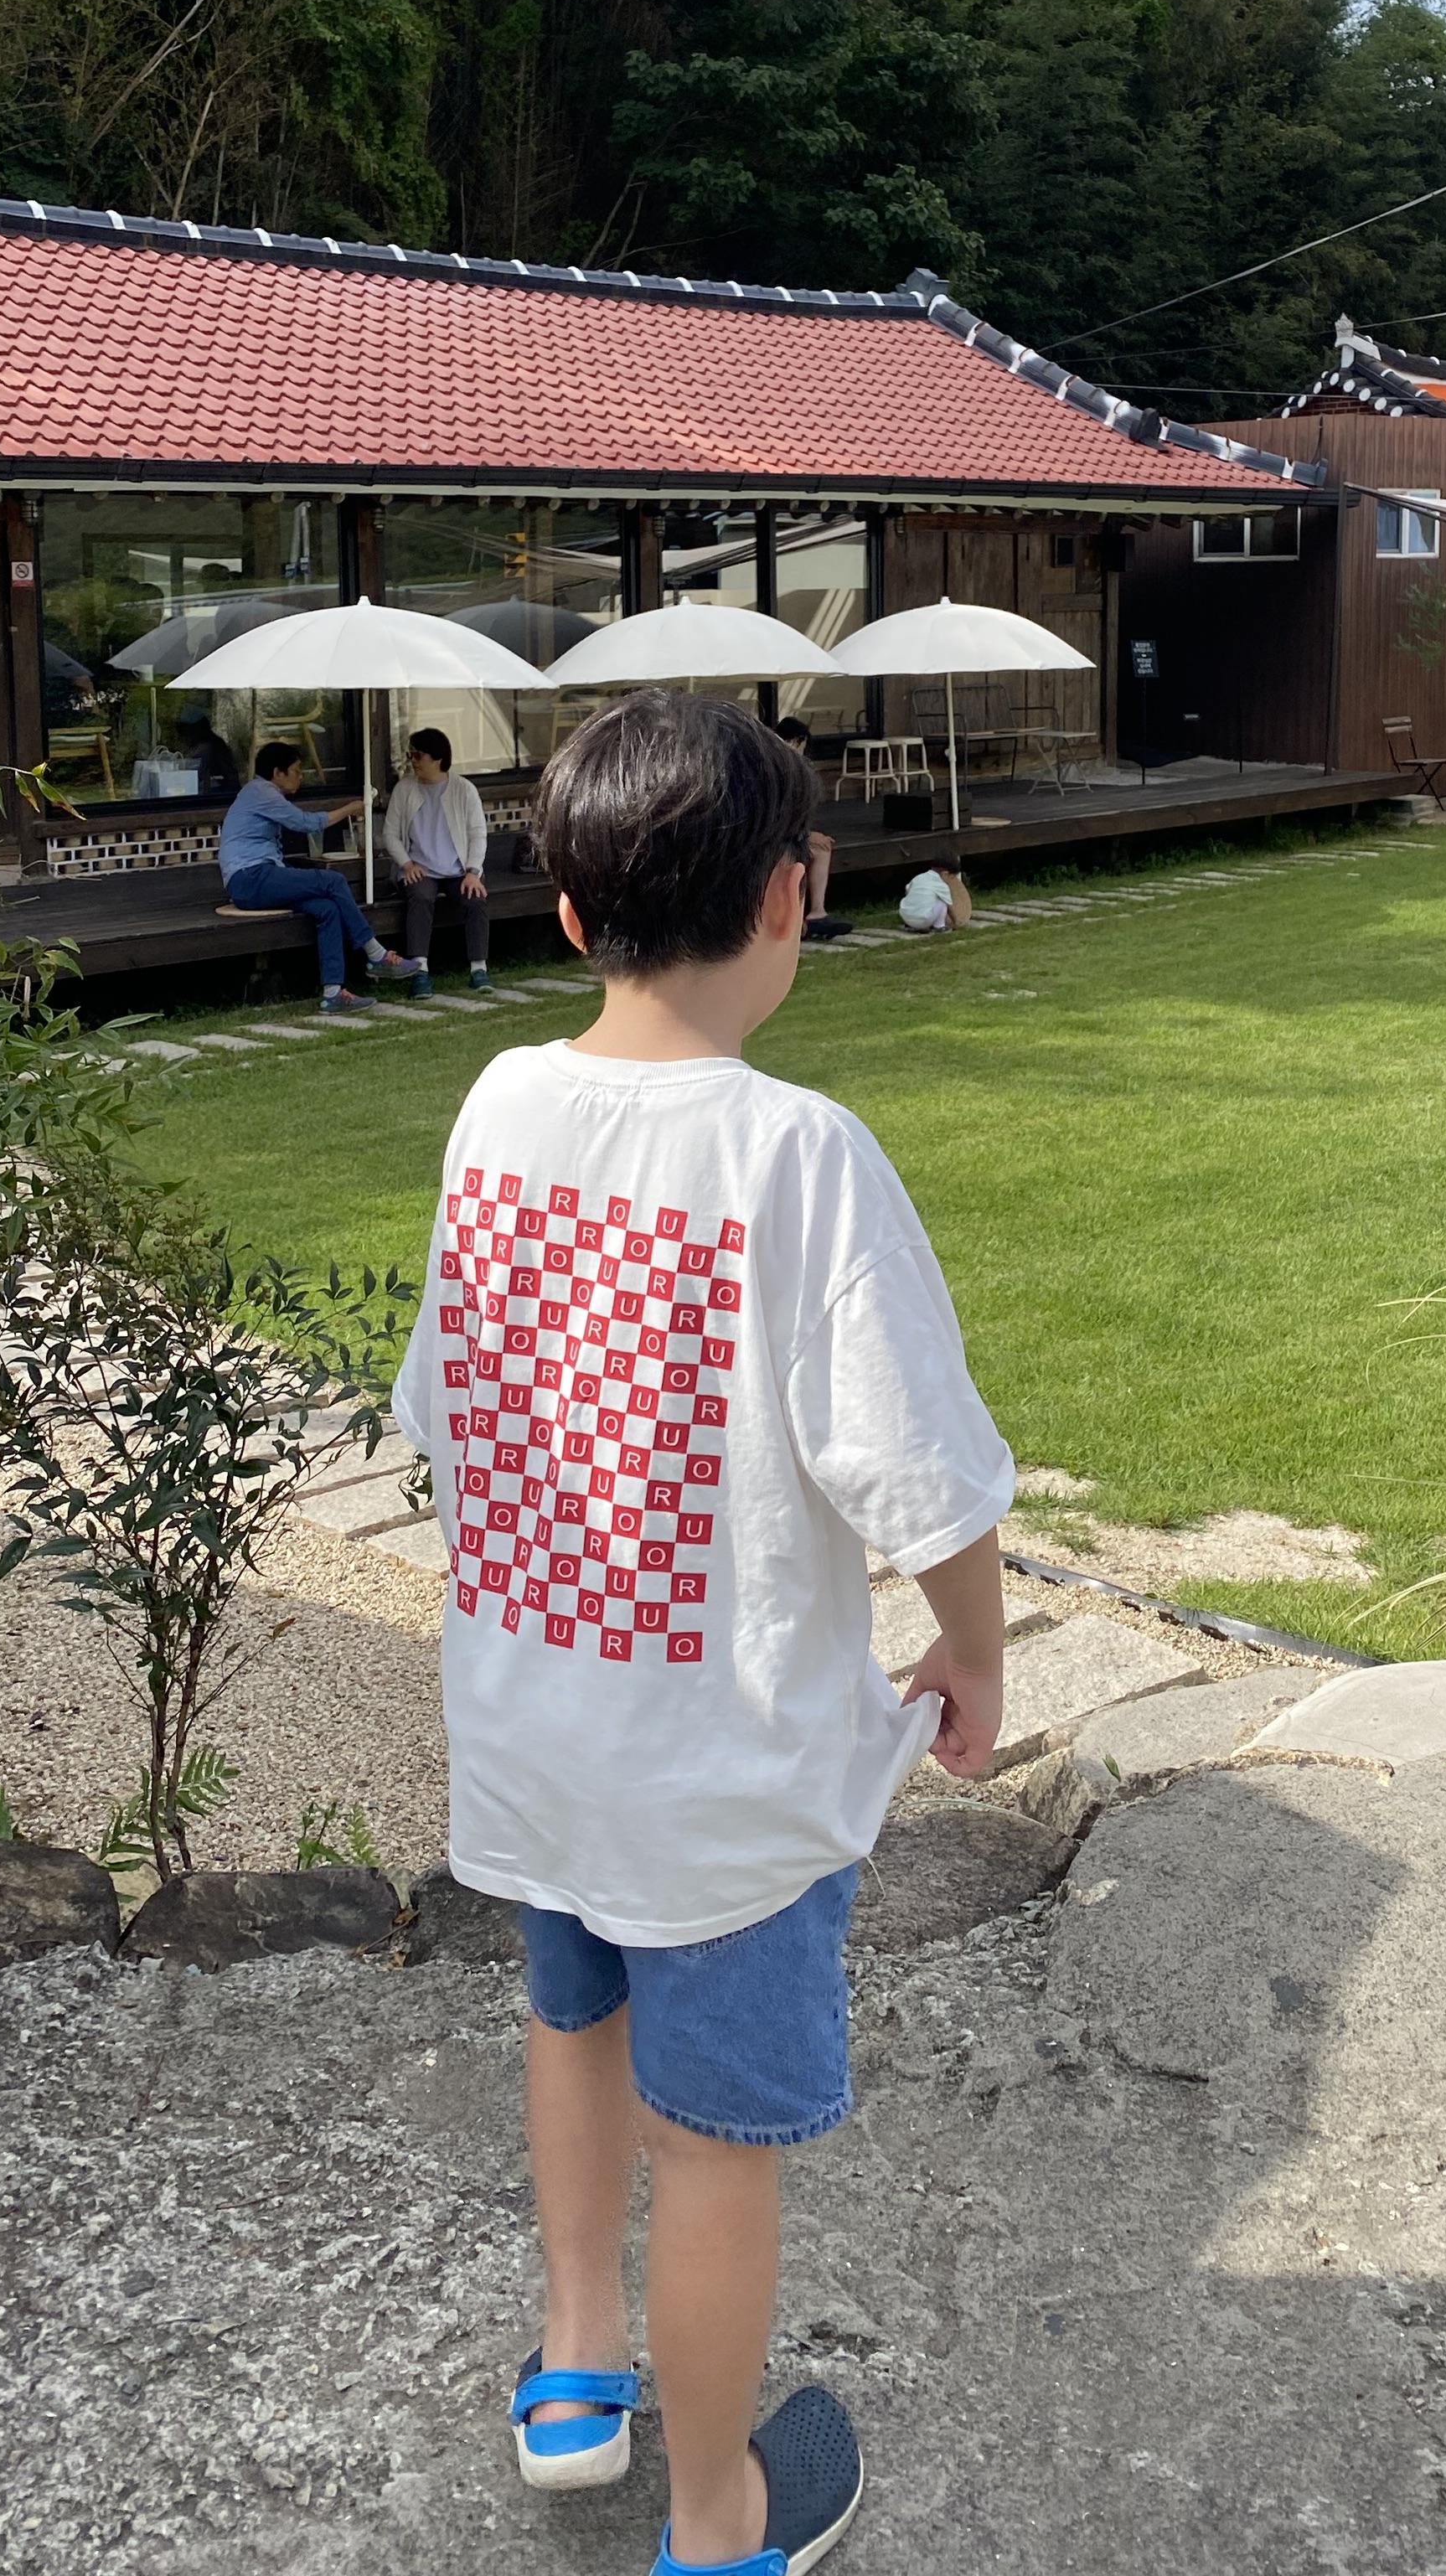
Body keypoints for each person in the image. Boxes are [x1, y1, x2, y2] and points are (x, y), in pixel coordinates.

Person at [391, 691, 1011, 2576]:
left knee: (570, 2024)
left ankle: (579, 2371)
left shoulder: (500, 1105)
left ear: (572, 915)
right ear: (790, 896)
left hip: (538, 1725)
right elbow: (919, 1473)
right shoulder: (799, 1153)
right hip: (718, 1775)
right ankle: (719, 2516)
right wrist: (973, 1651)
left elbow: (441, 1406)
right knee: (716, 2144)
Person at [217, 741, 425, 1011]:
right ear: (278, 773)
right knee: (333, 881)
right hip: (251, 878)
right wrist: (350, 809)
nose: (301, 777)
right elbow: (306, 823)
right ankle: (376, 954)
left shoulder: (258, 793)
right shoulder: (261, 792)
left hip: (257, 879)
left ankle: (333, 993)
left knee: (327, 909)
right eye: (296, 771)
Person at [381, 725, 492, 997]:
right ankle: (420, 971)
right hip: (419, 869)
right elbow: (390, 834)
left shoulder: (464, 789)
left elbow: (478, 833)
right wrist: (406, 864)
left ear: (438, 758)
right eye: (410, 755)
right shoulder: (404, 789)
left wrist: (473, 871)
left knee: (476, 899)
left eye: (418, 755)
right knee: (420, 897)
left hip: (458, 869)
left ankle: (479, 969)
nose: (413, 761)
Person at [768, 715, 848, 943]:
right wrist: (807, 835)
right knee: (802, 855)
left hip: (785, 834)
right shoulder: (780, 766)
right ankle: (798, 918)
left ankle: (817, 913)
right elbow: (778, 817)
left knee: (821, 849)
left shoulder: (779, 762)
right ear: (797, 741)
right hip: (773, 840)